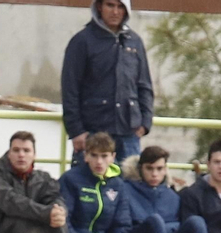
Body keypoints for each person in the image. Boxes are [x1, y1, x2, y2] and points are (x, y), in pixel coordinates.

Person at [60, 0, 153, 164]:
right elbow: (70, 89)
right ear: (99, 7)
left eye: (120, 7)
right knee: (88, 185)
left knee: (129, 186)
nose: (115, 12)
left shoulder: (134, 41)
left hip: (129, 132)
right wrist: (76, 130)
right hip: (92, 131)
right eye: (110, 5)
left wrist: (145, 123)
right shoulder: (82, 41)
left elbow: (144, 85)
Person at [60, 132, 141, 233]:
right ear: (85, 156)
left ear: (113, 157)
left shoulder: (118, 184)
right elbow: (64, 223)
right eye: (94, 155)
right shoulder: (70, 179)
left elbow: (122, 224)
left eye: (104, 156)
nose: (99, 162)